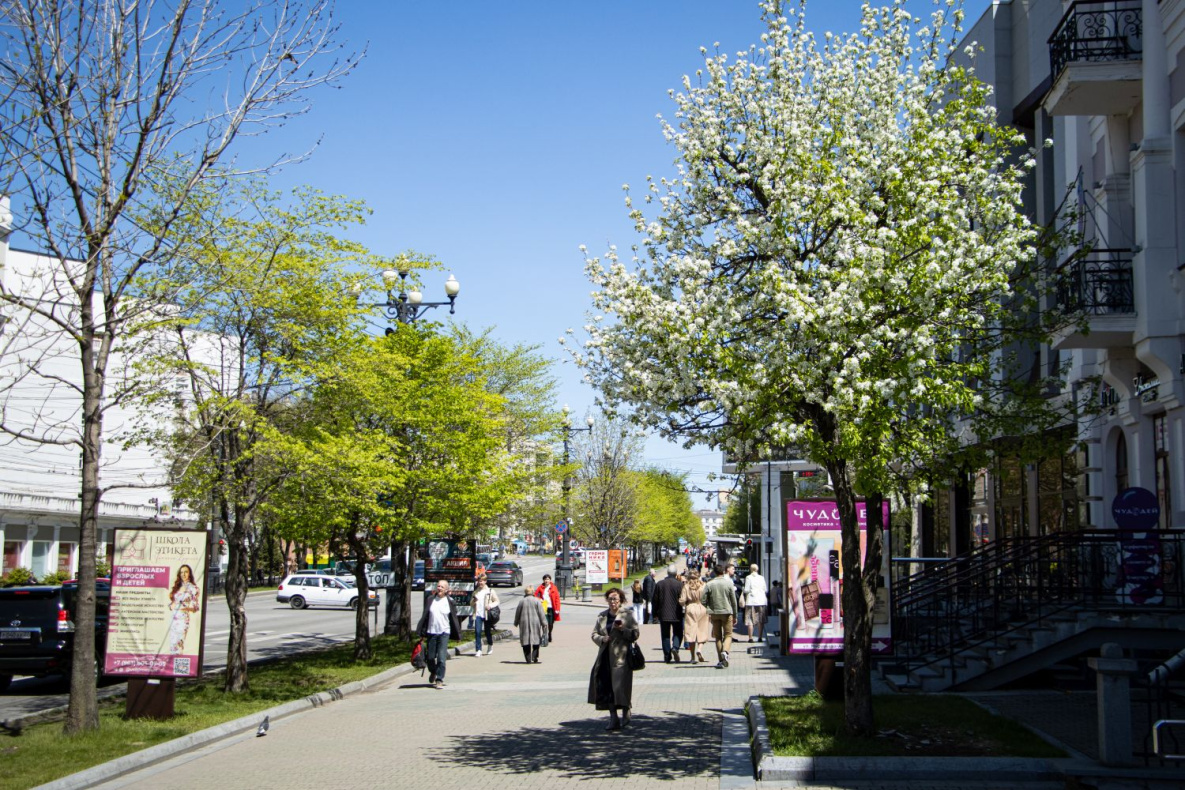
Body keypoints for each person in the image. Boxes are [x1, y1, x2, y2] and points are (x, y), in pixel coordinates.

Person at [587, 587, 639, 730]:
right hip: (604, 657)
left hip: (621, 658)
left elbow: (635, 634)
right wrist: (602, 638)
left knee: (620, 688)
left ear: (620, 600)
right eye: (610, 599)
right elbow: (594, 634)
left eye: (615, 599)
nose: (612, 602)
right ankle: (613, 718)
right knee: (607, 688)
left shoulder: (627, 615)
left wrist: (623, 630)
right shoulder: (602, 616)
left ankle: (626, 709)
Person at [416, 579, 462, 688]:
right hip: (432, 632)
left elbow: (454, 619)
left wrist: (458, 634)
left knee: (441, 657)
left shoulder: (450, 602)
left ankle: (439, 679)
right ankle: (433, 671)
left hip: (444, 633)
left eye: (442, 587)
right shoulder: (430, 600)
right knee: (431, 657)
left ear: (446, 590)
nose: (439, 588)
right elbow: (425, 616)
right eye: (438, 586)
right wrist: (422, 632)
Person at [702, 563, 738, 669]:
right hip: (727, 612)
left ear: (714, 572)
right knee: (728, 635)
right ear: (723, 572)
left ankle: (721, 660)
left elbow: (703, 600)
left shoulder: (709, 584)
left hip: (714, 613)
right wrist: (735, 614)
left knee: (718, 637)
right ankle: (725, 651)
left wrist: (709, 608)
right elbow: (733, 601)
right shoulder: (728, 584)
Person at [650, 565, 685, 663]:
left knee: (665, 635)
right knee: (678, 632)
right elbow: (682, 599)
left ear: (667, 573)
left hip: (663, 614)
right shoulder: (679, 585)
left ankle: (667, 655)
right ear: (676, 574)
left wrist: (654, 613)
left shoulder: (660, 584)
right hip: (677, 613)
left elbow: (655, 600)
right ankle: (675, 647)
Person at [678, 568, 711, 664]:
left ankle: (692, 657)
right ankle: (699, 649)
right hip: (702, 607)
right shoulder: (703, 585)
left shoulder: (686, 586)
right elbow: (707, 598)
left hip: (690, 608)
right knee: (702, 630)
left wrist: (682, 603)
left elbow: (682, 600)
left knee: (691, 632)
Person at [166, 564, 200, 654]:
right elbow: (173, 602)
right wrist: (171, 606)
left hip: (183, 619)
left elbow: (196, 607)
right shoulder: (177, 587)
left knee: (179, 643)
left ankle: (179, 664)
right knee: (173, 644)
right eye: (181, 572)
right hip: (174, 619)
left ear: (189, 574)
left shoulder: (193, 588)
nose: (183, 574)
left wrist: (185, 608)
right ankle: (173, 664)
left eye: (186, 572)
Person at [515, 584, 547, 663]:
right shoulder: (537, 601)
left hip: (524, 622)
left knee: (525, 640)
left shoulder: (521, 601)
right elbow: (541, 613)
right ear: (533, 592)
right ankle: (534, 656)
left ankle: (528, 658)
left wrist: (516, 622)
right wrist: (544, 624)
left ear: (525, 592)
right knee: (536, 639)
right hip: (535, 622)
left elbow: (517, 613)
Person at [472, 575, 500, 657]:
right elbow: (471, 603)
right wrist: (473, 601)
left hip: (487, 614)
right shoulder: (476, 592)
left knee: (487, 632)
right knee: (477, 632)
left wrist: (490, 606)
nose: (480, 583)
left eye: (481, 581)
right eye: (479, 581)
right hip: (478, 614)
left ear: (485, 581)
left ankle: (490, 645)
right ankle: (478, 650)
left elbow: (497, 601)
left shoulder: (490, 591)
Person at [743, 563, 769, 643]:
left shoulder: (748, 577)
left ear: (751, 569)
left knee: (750, 619)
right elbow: (765, 589)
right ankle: (760, 637)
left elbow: (747, 589)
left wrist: (743, 589)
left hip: (751, 601)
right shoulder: (761, 578)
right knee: (760, 620)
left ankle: (750, 638)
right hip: (761, 600)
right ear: (757, 569)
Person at [534, 573, 562, 643]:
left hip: (552, 608)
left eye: (548, 579)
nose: (546, 581)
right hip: (544, 607)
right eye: (545, 579)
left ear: (550, 580)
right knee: (544, 622)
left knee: (550, 623)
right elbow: (535, 595)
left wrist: (557, 609)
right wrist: (539, 599)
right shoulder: (540, 587)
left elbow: (557, 599)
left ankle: (550, 633)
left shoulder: (553, 588)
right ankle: (545, 635)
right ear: (543, 580)